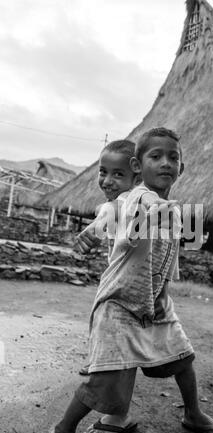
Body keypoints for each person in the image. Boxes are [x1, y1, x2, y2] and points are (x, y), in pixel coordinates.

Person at [47, 127, 213, 433]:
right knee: (104, 378)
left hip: (155, 303)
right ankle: (63, 429)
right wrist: (93, 229)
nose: (165, 163)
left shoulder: (175, 213)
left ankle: (194, 413)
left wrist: (162, 295)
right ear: (138, 166)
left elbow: (169, 260)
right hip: (118, 304)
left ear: (181, 168)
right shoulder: (134, 198)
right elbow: (111, 211)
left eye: (172, 158)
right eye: (155, 156)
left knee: (183, 359)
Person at [75, 139, 140, 376]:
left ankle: (101, 364)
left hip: (123, 283)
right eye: (103, 172)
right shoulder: (119, 202)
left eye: (118, 174)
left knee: (104, 320)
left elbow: (114, 209)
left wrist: (96, 225)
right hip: (123, 280)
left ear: (136, 179)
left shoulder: (130, 201)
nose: (107, 180)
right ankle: (102, 360)